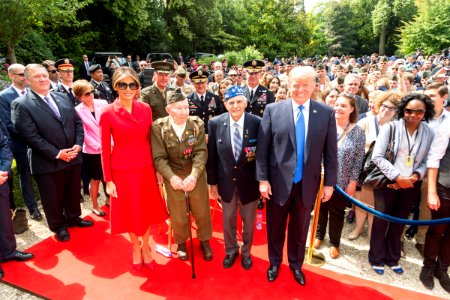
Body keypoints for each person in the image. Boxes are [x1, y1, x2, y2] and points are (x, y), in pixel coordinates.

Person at [256, 66, 337, 286]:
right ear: (288, 84)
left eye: (305, 85)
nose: (300, 89)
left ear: (314, 86)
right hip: (277, 184)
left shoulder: (326, 113)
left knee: (300, 229)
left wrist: (329, 183)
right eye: (296, 85)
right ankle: (274, 262)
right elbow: (262, 150)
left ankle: (295, 265)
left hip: (307, 185)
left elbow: (330, 153)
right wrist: (262, 180)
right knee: (275, 227)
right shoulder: (273, 110)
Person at [11, 64, 93, 242]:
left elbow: (77, 123)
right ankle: (58, 226)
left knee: (72, 191)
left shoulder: (62, 97)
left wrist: (78, 145)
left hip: (73, 156)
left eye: (44, 75)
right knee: (52, 197)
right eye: (37, 77)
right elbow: (29, 136)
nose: (42, 79)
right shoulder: (21, 104)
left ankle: (73, 217)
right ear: (27, 80)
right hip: (47, 161)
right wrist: (57, 153)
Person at [99, 67, 168, 270]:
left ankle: (146, 246)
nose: (127, 89)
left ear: (137, 87)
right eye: (122, 84)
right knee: (130, 212)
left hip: (146, 168)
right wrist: (108, 180)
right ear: (115, 86)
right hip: (122, 171)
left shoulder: (145, 109)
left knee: (145, 211)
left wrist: (157, 168)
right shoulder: (107, 112)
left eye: (132, 84)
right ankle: (135, 247)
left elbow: (151, 140)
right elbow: (104, 148)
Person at [369, 93, 435, 275]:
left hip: (411, 184)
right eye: (409, 110)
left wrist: (414, 177)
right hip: (387, 182)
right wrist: (398, 177)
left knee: (399, 222)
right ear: (402, 110)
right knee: (382, 221)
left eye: (419, 111)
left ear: (426, 112)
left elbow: (428, 160)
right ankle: (376, 257)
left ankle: (392, 257)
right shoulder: (390, 127)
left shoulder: (429, 132)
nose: (413, 115)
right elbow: (377, 157)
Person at [151, 88, 213, 262]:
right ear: (169, 109)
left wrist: (194, 175)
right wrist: (171, 177)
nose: (184, 112)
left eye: (186, 107)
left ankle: (204, 240)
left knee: (201, 209)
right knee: (178, 211)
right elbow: (159, 157)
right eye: (179, 108)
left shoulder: (196, 124)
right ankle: (181, 242)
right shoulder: (159, 127)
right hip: (173, 174)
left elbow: (201, 152)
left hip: (196, 172)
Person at [207, 86, 261, 270]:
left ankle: (246, 252)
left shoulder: (258, 123)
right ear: (225, 104)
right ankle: (231, 251)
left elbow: (262, 156)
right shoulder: (215, 123)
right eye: (231, 102)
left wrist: (262, 181)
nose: (235, 106)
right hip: (226, 183)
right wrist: (212, 183)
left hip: (250, 183)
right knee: (228, 220)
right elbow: (212, 156)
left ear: (246, 102)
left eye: (239, 101)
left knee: (248, 223)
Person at [314, 93, 365, 258]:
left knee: (337, 212)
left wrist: (352, 181)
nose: (338, 108)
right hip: (321, 178)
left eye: (343, 106)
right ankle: (319, 236)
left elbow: (358, 159)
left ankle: (334, 242)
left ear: (352, 109)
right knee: (321, 209)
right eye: (336, 104)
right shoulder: (324, 126)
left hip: (342, 182)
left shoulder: (357, 132)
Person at [350, 91, 400, 241]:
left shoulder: (396, 127)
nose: (386, 110)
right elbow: (352, 142)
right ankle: (358, 229)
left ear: (396, 111)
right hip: (364, 170)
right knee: (360, 202)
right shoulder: (366, 121)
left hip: (383, 173)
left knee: (376, 205)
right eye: (384, 106)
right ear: (379, 105)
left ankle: (373, 233)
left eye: (391, 108)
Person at [0, 64, 42, 220]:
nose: (25, 77)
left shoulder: (33, 92)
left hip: (39, 142)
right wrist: (33, 136)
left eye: (26, 74)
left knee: (43, 173)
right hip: (21, 144)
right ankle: (32, 208)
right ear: (11, 76)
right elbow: (9, 124)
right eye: (21, 74)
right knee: (25, 175)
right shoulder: (3, 97)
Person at [413, 82, 450, 256]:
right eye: (425, 96)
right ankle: (396, 240)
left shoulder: (448, 121)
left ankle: (421, 240)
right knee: (404, 206)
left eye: (432, 96)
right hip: (410, 169)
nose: (427, 100)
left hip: (433, 172)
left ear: (444, 97)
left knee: (426, 209)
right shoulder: (416, 115)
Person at [0, 121, 34, 279]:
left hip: (1, 179)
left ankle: (9, 251)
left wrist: (3, 171)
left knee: (5, 221)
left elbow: (4, 144)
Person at [420, 116, 450, 293]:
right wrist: (432, 191)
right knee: (436, 231)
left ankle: (442, 269)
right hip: (445, 186)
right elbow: (434, 158)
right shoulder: (448, 123)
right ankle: (428, 267)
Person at [73, 80, 108, 217]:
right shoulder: (77, 111)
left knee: (109, 177)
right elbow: (83, 132)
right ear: (79, 96)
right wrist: (99, 146)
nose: (91, 95)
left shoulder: (103, 103)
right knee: (96, 179)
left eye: (92, 91)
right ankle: (95, 205)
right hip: (92, 151)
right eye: (87, 93)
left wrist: (110, 142)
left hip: (109, 146)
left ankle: (110, 199)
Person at [187, 70, 224, 136]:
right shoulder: (188, 99)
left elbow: (221, 118)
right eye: (197, 83)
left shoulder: (215, 98)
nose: (200, 86)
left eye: (203, 82)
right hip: (195, 135)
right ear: (193, 83)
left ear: (207, 82)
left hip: (212, 134)